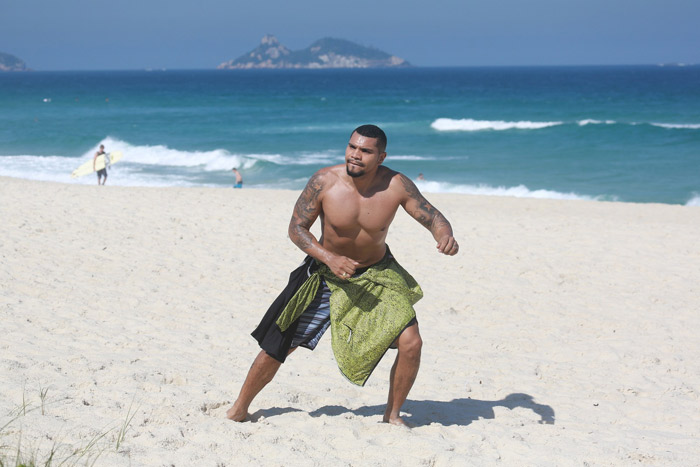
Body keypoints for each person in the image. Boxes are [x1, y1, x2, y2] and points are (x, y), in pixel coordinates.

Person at [226, 124, 459, 427]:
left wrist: (445, 235)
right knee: (278, 345)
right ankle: (240, 408)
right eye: (352, 147)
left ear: (381, 156)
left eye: (365, 151)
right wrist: (329, 257)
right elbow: (296, 228)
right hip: (325, 273)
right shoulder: (325, 181)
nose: (355, 155)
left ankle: (392, 415)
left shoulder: (396, 185)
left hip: (377, 274)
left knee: (412, 342)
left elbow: (433, 216)